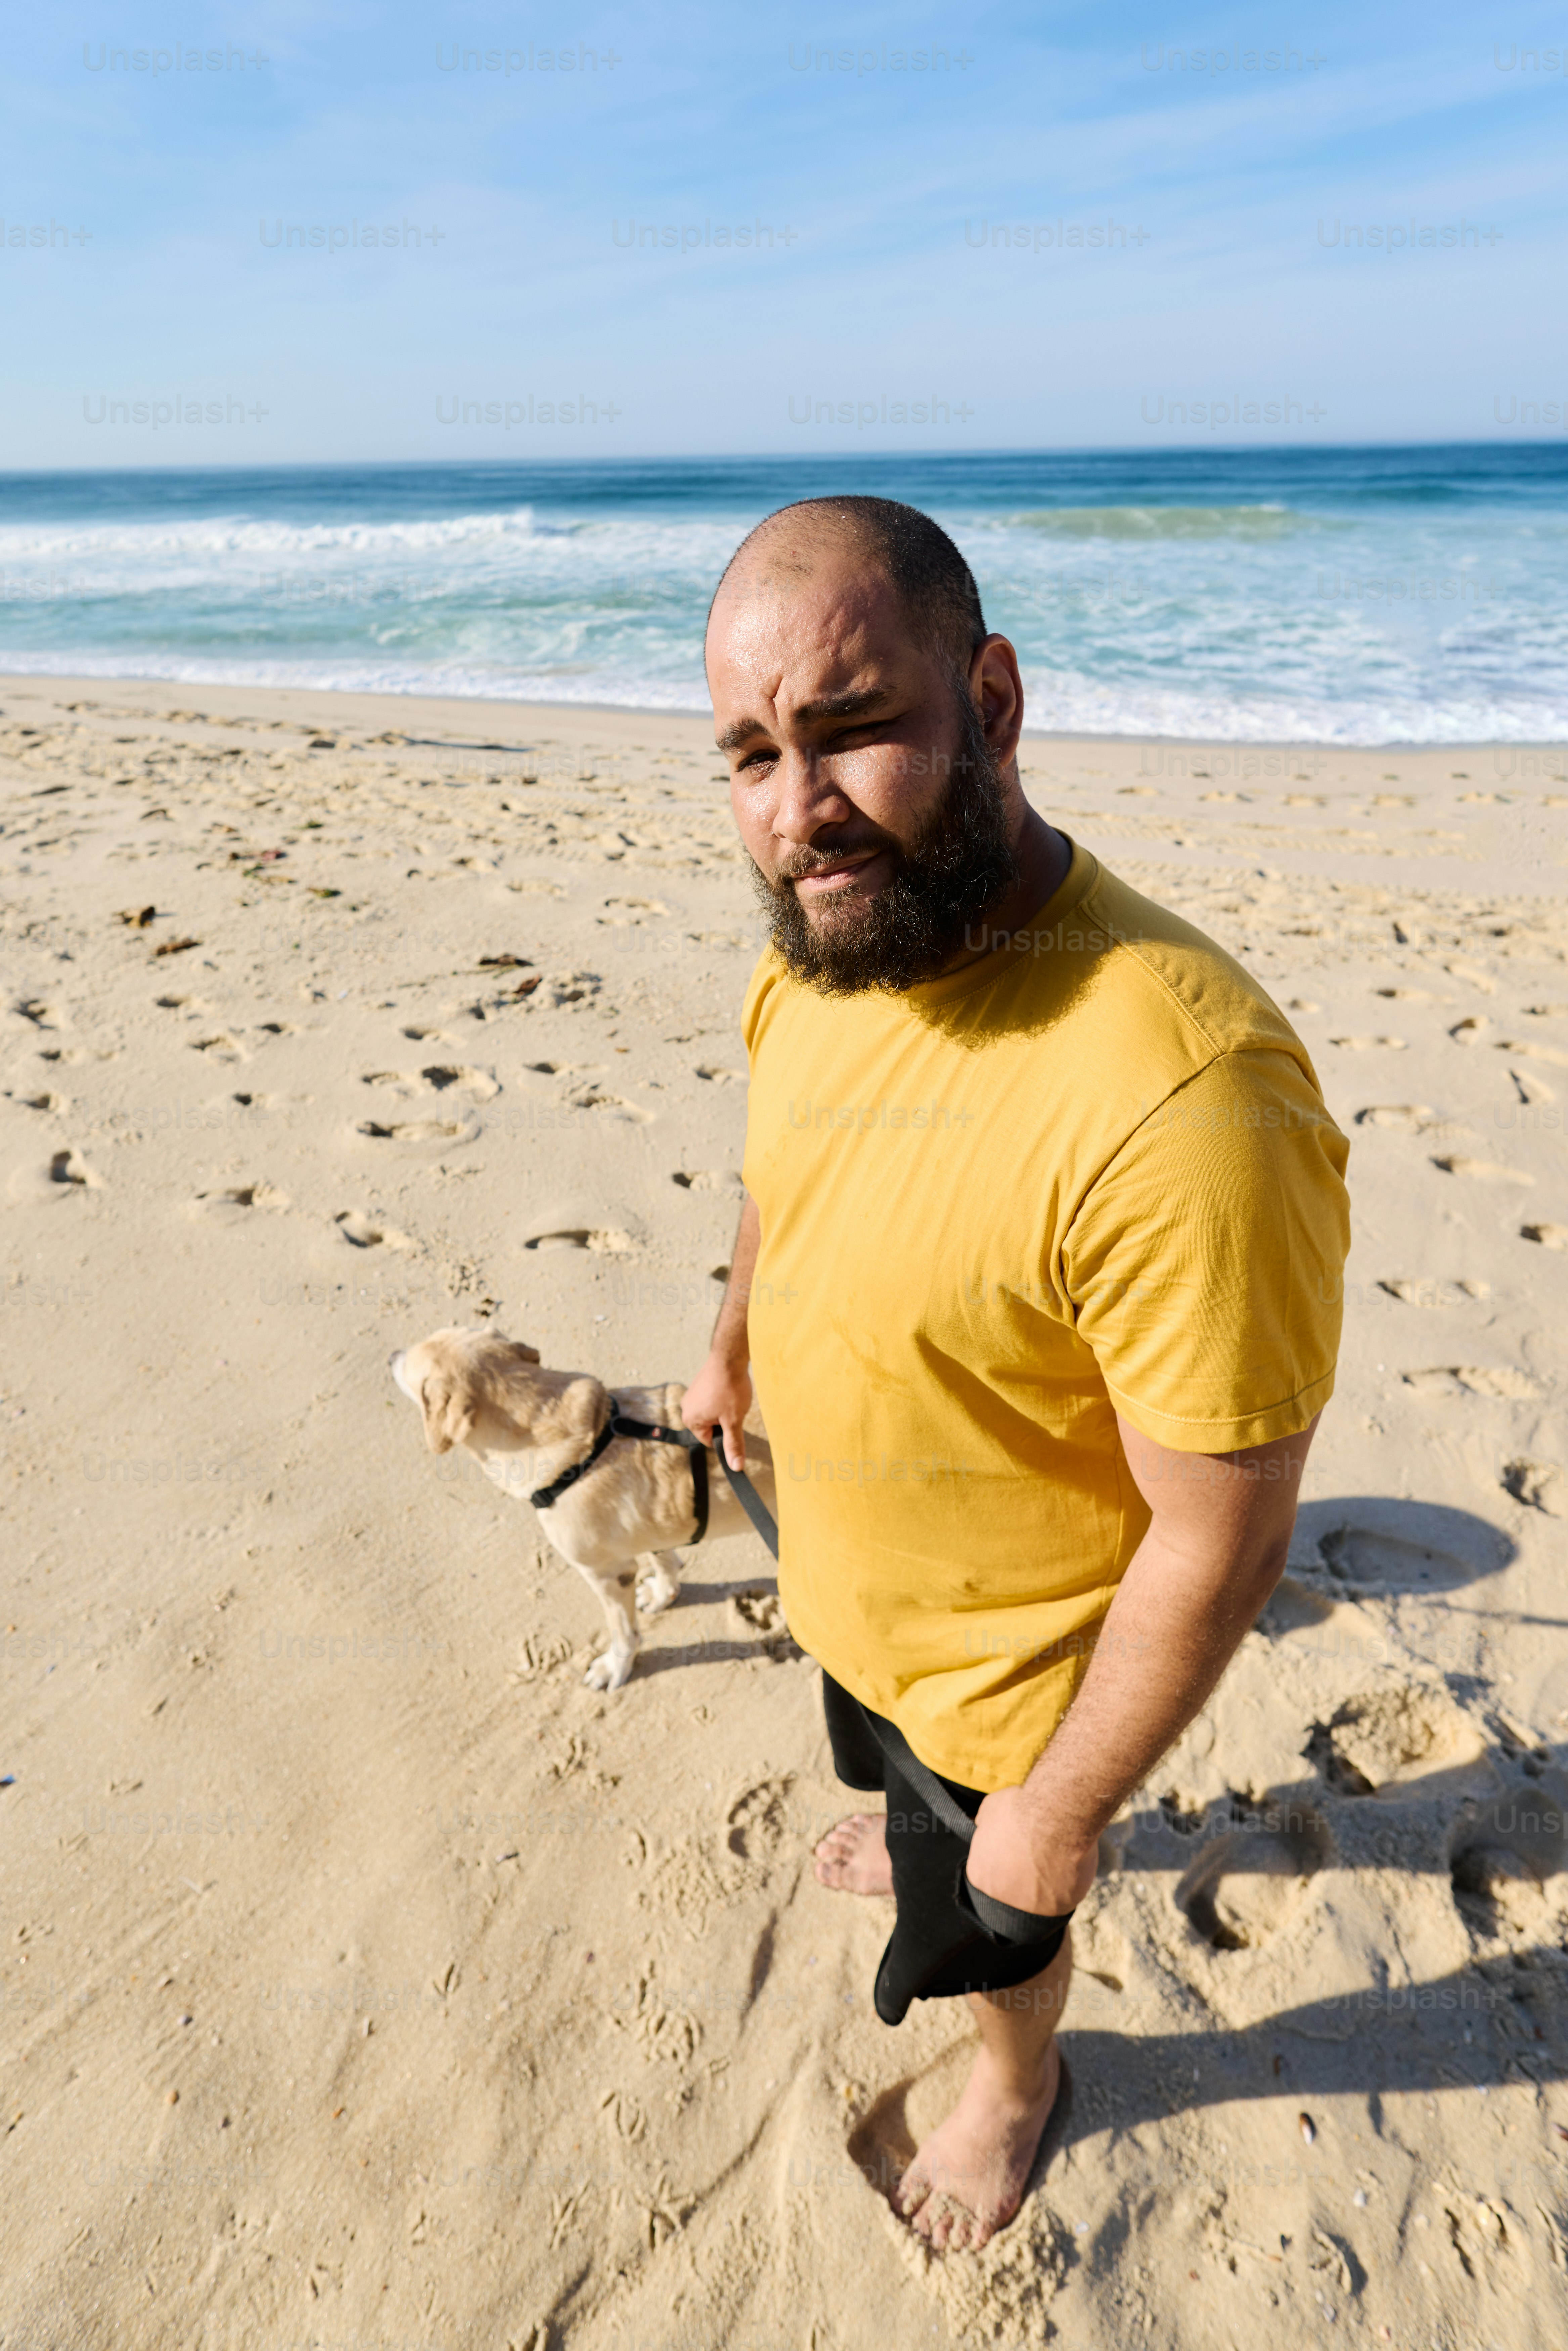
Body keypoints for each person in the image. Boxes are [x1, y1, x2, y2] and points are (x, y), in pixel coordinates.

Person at [681, 496, 1350, 2253]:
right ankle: (916, 1829)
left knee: (993, 1907)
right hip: (849, 1584)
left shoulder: (1186, 1094)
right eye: (751, 751)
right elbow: (780, 1166)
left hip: (1014, 1685)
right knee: (892, 1784)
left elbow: (1228, 1532)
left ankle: (1018, 2076)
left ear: (990, 701)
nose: (795, 812)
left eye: (851, 730)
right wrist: (735, 1334)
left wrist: (1054, 1812)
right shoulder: (831, 941)